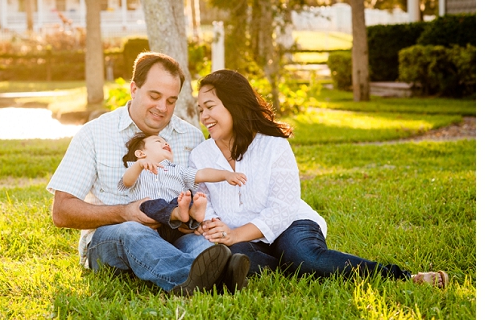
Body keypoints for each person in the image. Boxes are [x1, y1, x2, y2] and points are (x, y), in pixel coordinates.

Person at [189, 69, 448, 289]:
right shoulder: (201, 155)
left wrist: (235, 234)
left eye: (210, 107)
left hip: (290, 225)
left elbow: (283, 208)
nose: (204, 117)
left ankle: (403, 278)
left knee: (304, 258)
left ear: (234, 104)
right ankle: (288, 266)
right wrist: (218, 228)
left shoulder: (272, 145)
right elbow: (205, 203)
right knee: (234, 258)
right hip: (242, 240)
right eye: (200, 110)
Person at [47, 52, 250, 296]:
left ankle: (207, 274)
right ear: (134, 89)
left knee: (204, 245)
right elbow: (61, 212)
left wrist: (195, 220)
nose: (163, 108)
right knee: (133, 230)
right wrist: (124, 213)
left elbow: (201, 191)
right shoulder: (94, 134)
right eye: (155, 96)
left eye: (171, 100)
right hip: (114, 237)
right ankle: (202, 278)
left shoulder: (191, 136)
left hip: (172, 236)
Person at [118, 131, 247, 242]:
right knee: (146, 204)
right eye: (158, 141)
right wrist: (139, 165)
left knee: (185, 199)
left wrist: (225, 174)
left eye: (166, 142)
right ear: (140, 154)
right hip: (151, 225)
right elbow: (127, 182)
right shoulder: (137, 171)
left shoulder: (177, 170)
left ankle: (192, 212)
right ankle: (180, 212)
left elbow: (202, 173)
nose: (166, 144)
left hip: (178, 227)